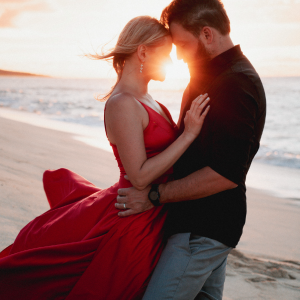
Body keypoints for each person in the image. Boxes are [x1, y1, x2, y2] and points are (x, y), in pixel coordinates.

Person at [0, 16, 210, 299]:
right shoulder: (122, 103)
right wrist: (188, 135)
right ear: (143, 52)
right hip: (134, 218)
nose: (172, 62)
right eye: (166, 53)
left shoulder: (154, 102)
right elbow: (139, 175)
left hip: (157, 209)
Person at [115, 1, 267, 300]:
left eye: (182, 45)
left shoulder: (235, 83)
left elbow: (225, 174)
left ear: (207, 35)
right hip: (198, 225)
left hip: (204, 228)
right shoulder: (209, 76)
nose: (179, 56)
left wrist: (154, 196)